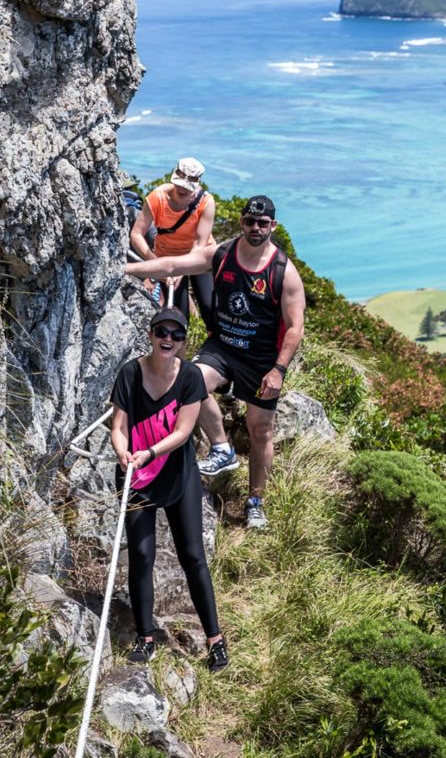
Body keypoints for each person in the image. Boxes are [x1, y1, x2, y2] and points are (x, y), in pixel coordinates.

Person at [126, 195, 306, 531]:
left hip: (262, 358)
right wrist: (125, 269)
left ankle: (255, 502)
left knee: (260, 431)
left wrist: (278, 370)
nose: (256, 228)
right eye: (250, 222)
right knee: (190, 381)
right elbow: (172, 266)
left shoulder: (283, 271)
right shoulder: (223, 254)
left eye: (263, 223)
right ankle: (221, 448)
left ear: (273, 226)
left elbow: (295, 327)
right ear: (242, 222)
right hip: (222, 347)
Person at [110, 305, 229, 671]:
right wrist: (122, 454)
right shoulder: (130, 373)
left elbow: (183, 432)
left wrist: (147, 452)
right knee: (141, 555)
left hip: (178, 475)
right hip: (136, 476)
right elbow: (117, 426)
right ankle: (145, 637)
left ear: (183, 341)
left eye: (177, 335)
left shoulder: (190, 377)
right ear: (150, 334)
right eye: (162, 331)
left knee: (193, 556)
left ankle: (215, 641)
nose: (169, 339)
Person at [129, 157, 216, 329]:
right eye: (180, 183)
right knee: (178, 314)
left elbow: (199, 244)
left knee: (209, 307)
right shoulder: (157, 197)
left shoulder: (206, 202)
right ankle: (179, 354)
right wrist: (155, 262)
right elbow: (137, 234)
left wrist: (182, 270)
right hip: (166, 255)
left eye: (187, 185)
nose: (182, 188)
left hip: (199, 256)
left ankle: (214, 350)